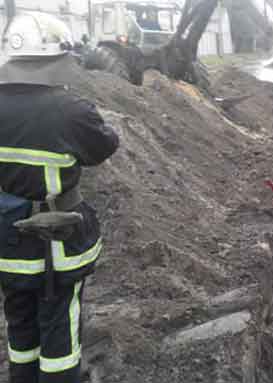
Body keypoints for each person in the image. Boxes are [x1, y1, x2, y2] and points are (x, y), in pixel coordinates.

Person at [0, 12, 119, 383]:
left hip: (7, 241)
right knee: (59, 330)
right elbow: (103, 147)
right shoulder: (69, 110)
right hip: (55, 245)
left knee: (19, 321)